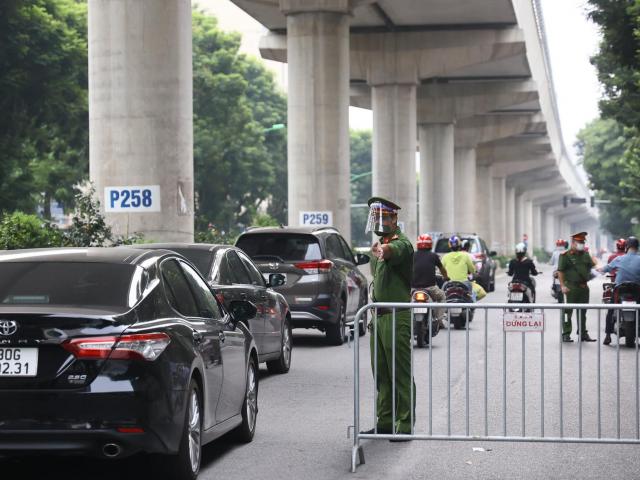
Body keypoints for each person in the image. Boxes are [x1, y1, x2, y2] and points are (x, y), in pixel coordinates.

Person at [365, 196, 415, 439]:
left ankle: (404, 425)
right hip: (380, 317)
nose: (379, 221)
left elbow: (395, 251)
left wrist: (384, 250)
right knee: (382, 373)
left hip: (397, 317)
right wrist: (378, 250)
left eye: (385, 217)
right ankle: (384, 422)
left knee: (400, 373)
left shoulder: (401, 244)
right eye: (377, 217)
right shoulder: (378, 246)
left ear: (395, 219)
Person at [599, 236, 640, 345]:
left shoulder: (619, 258)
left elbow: (605, 269)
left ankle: (608, 335)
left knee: (611, 309)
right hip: (637, 291)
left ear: (627, 247)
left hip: (620, 290)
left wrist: (598, 270)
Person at [557, 232, 597, 342]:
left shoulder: (585, 254)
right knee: (567, 312)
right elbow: (560, 271)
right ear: (573, 243)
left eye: (583, 242)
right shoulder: (565, 255)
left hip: (584, 288)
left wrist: (592, 256)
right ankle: (566, 333)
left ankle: (583, 333)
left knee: (583, 312)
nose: (582, 244)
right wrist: (562, 286)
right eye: (580, 242)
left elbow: (593, 265)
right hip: (571, 287)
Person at [412, 234, 448, 327]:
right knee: (442, 297)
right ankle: (439, 320)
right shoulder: (434, 256)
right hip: (430, 288)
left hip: (413, 288)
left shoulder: (412, 255)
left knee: (404, 303)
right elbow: (442, 269)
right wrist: (446, 277)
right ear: (430, 245)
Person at [601, 238, 627, 345]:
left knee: (611, 309)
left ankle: (608, 335)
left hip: (617, 287)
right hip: (634, 287)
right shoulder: (636, 258)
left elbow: (608, 268)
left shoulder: (613, 257)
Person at [442, 235, 476, 301]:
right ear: (459, 245)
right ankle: (471, 307)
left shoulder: (445, 257)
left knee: (442, 296)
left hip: (449, 283)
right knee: (470, 295)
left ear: (449, 245)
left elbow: (440, 270)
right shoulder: (465, 256)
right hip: (464, 283)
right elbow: (472, 269)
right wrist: (475, 273)